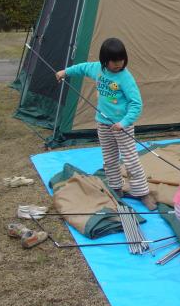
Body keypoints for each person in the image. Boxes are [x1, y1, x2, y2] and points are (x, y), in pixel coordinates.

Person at [55, 38, 156, 210]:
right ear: (104, 60)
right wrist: (65, 72)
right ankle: (116, 188)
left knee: (131, 160)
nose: (118, 64)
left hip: (122, 126)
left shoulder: (125, 77)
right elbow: (82, 68)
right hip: (103, 124)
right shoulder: (98, 69)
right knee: (109, 159)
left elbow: (136, 104)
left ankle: (142, 192)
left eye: (121, 60)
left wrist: (123, 122)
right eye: (114, 61)